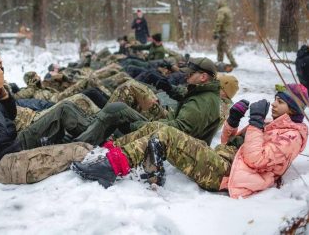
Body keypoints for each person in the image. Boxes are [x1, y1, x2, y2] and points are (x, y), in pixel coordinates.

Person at [72, 83, 308, 198]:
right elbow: (228, 143)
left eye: (281, 101)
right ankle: (108, 153)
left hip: (226, 175)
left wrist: (255, 123)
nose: (274, 104)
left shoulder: (292, 135)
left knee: (166, 135)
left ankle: (110, 167)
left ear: (294, 107)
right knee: (156, 126)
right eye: (275, 99)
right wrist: (234, 121)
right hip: (222, 160)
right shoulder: (272, 126)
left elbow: (257, 159)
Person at [0, 60, 93, 184]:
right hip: (1, 166)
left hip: (12, 146)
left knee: (67, 120)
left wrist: (4, 97)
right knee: (79, 152)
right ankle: (109, 161)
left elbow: (9, 117)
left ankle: (103, 145)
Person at [75, 57, 220, 147]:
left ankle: (82, 142)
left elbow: (178, 129)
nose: (186, 75)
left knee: (117, 109)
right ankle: (91, 132)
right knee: (117, 106)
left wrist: (140, 125)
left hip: (167, 140)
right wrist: (169, 87)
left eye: (191, 73)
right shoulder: (203, 93)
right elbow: (186, 97)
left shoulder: (204, 102)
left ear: (203, 77)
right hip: (163, 128)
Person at [213, 0, 237, 68]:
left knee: (224, 47)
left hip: (222, 31)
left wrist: (216, 32)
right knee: (220, 46)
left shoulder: (221, 11)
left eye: (217, 2)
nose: (216, 4)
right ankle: (220, 61)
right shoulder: (228, 10)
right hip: (227, 31)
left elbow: (219, 22)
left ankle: (232, 62)